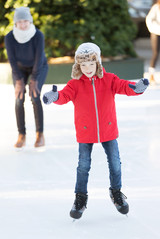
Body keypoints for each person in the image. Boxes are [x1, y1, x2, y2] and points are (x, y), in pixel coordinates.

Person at [43, 42, 149, 219]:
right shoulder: (75, 84)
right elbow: (63, 96)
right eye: (83, 65)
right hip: (85, 132)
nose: (87, 68)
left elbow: (124, 86)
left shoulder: (109, 79)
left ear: (98, 63)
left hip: (108, 130)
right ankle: (80, 198)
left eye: (91, 64)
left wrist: (136, 88)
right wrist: (55, 97)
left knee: (115, 163)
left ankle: (116, 193)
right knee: (83, 166)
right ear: (78, 66)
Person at [5, 7, 48, 148]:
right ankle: (21, 135)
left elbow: (38, 58)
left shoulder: (38, 35)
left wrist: (34, 80)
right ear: (15, 23)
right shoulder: (10, 37)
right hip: (19, 69)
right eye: (20, 22)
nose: (23, 25)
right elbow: (11, 60)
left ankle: (40, 135)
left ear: (30, 21)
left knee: (35, 96)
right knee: (19, 99)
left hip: (38, 67)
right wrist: (18, 81)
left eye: (25, 21)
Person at [146, 0, 160, 84]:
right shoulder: (156, 8)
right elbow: (149, 20)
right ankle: (151, 75)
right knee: (155, 53)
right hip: (156, 33)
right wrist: (155, 29)